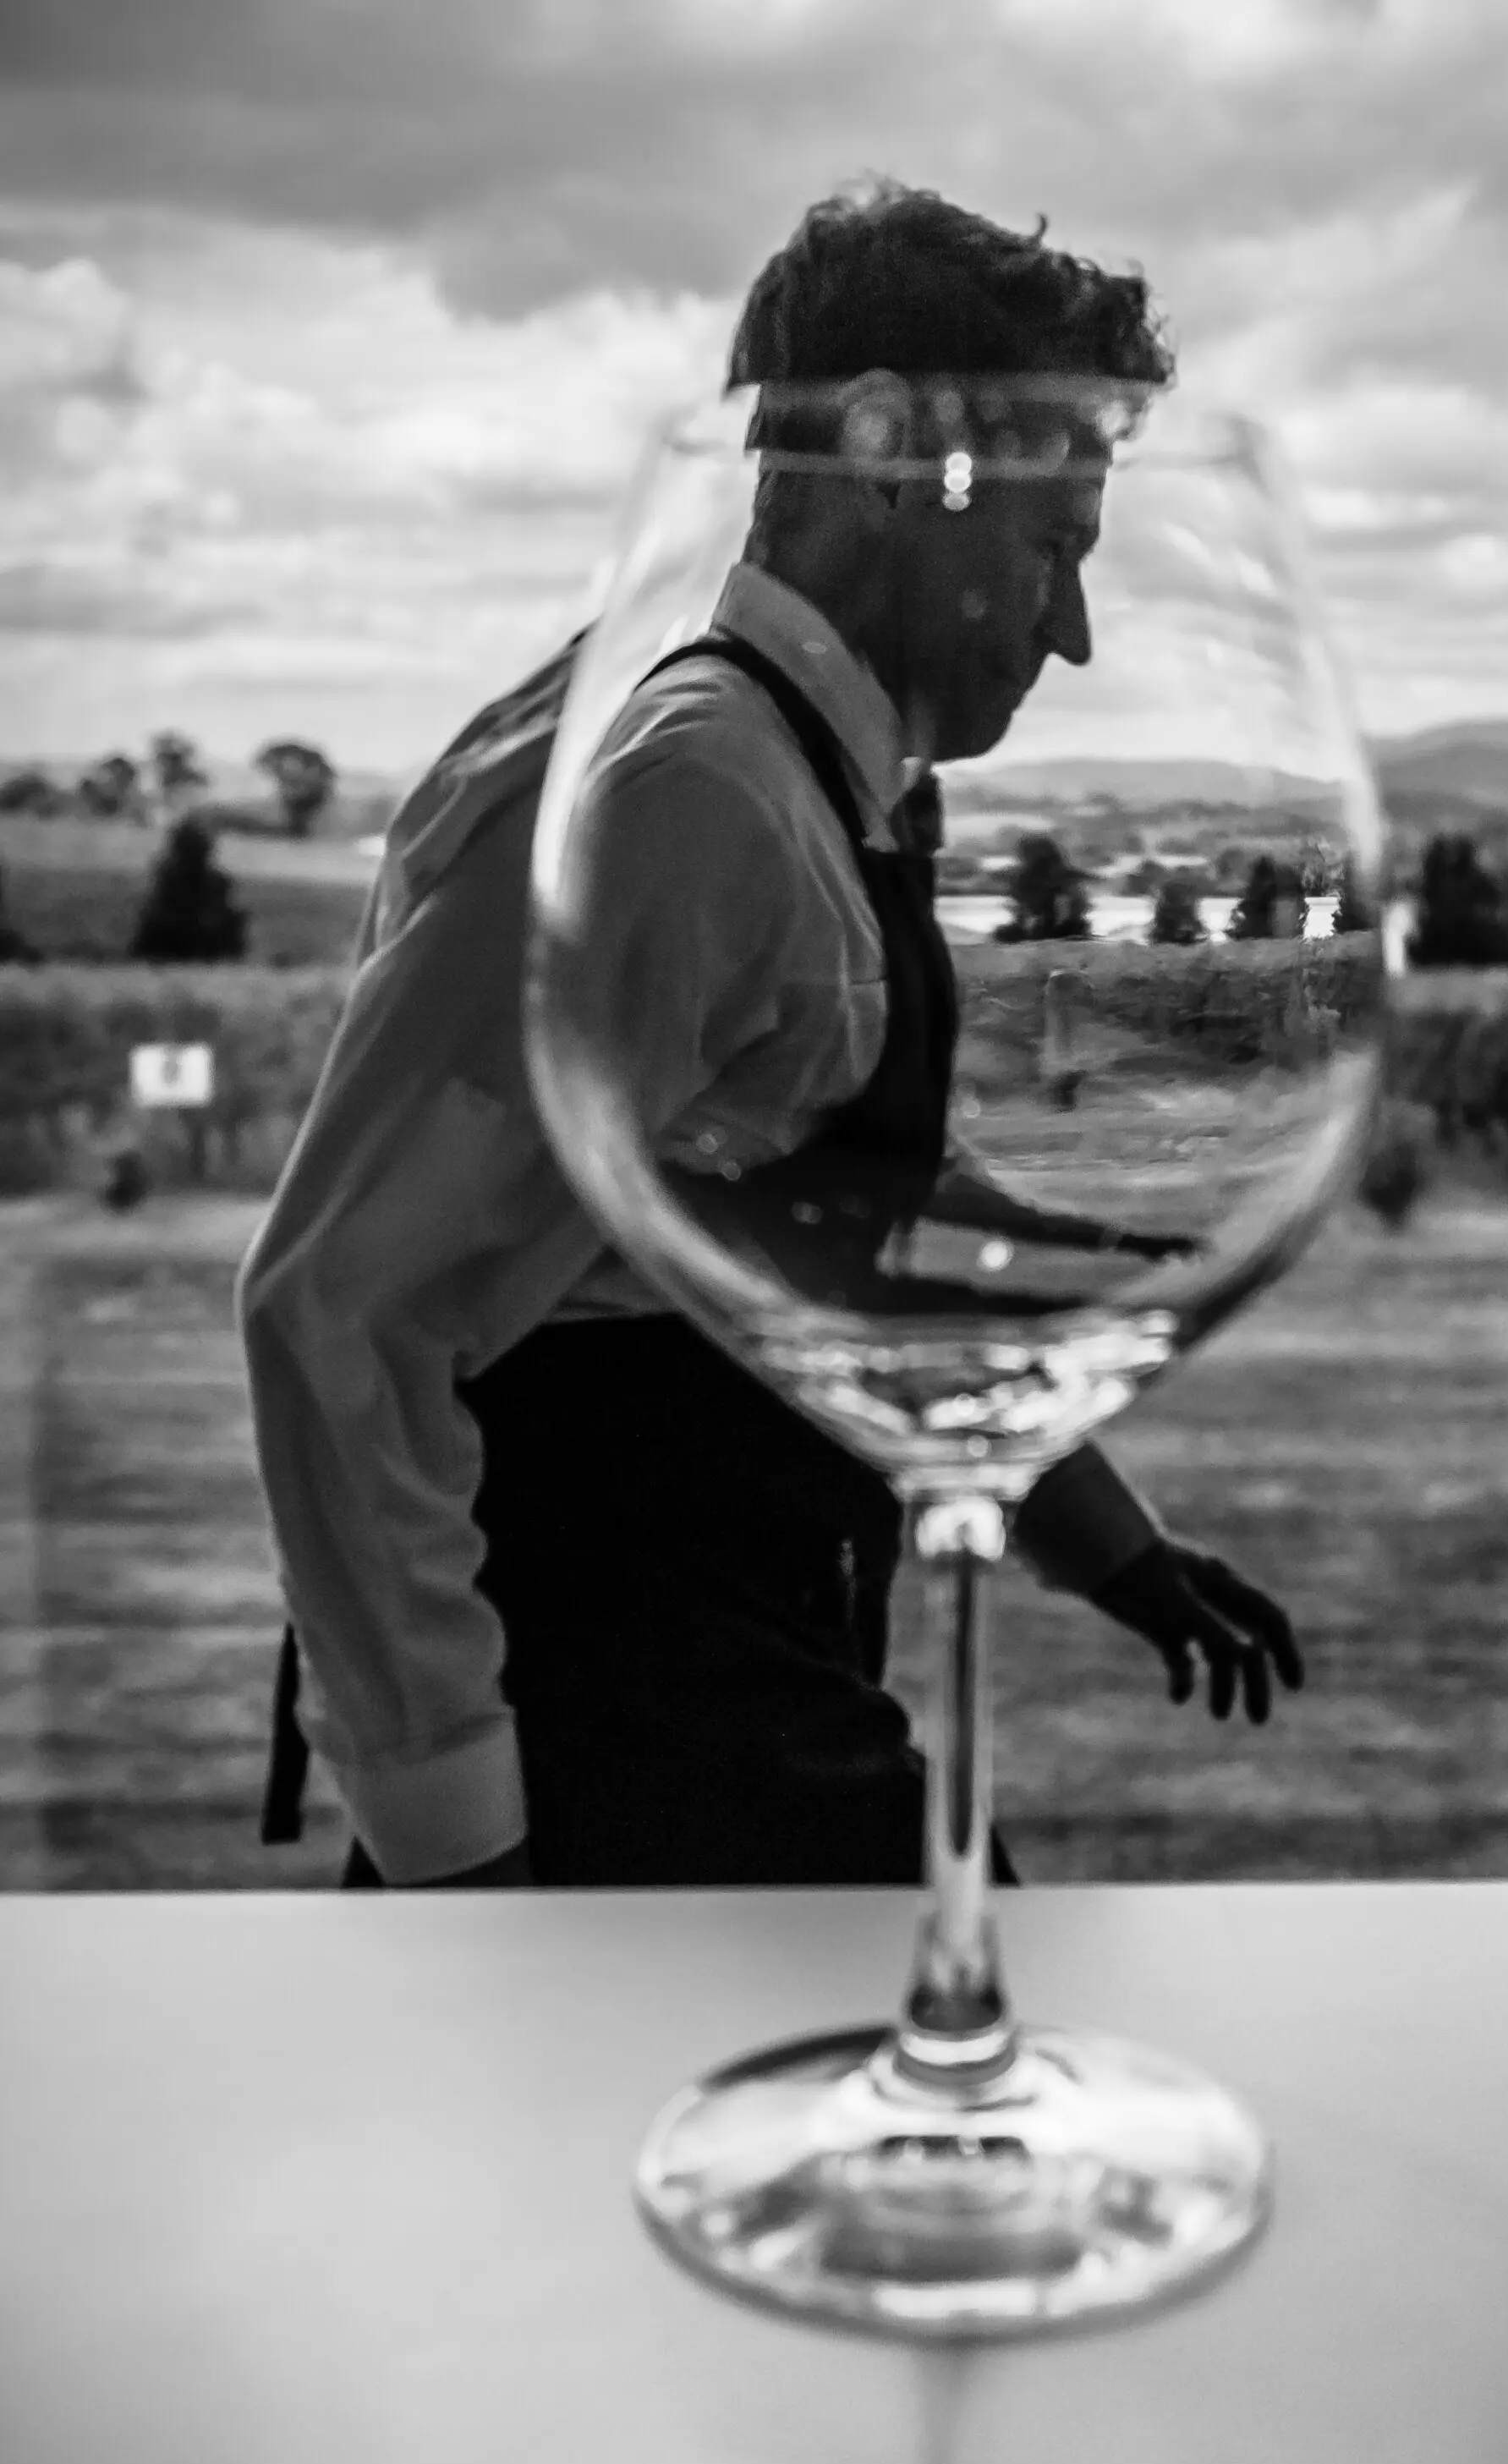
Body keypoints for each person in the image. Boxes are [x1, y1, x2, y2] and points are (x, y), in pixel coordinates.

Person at [238, 179, 1304, 1892]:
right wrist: (457, 1854)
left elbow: (838, 1200)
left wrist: (1105, 1536)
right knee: (959, 2023)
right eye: (1054, 547)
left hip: (749, 1679)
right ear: (884, 446)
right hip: (627, 1729)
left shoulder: (823, 770)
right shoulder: (686, 789)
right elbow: (345, 1312)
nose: (1072, 629)